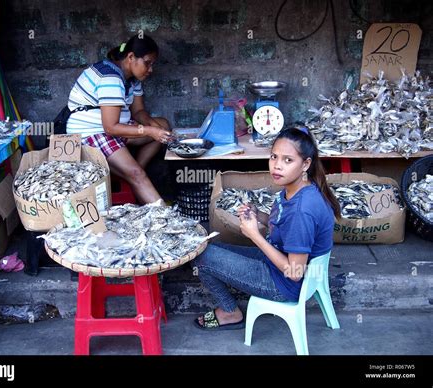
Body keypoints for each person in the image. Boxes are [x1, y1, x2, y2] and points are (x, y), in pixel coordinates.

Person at [193, 127, 341, 330]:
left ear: (306, 164)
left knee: (200, 256)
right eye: (274, 157)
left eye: (288, 160)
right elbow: (284, 226)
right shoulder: (301, 188)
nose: (277, 166)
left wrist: (255, 235)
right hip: (277, 261)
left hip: (284, 284)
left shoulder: (302, 211)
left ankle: (229, 312)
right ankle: (229, 310)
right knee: (206, 246)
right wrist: (259, 215)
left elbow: (295, 271)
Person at [66, 34, 172, 204]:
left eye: (152, 64)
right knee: (137, 173)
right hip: (92, 133)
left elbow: (138, 112)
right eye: (147, 63)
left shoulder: (132, 79)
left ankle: (134, 175)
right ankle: (164, 215)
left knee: (164, 126)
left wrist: (156, 129)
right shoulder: (111, 78)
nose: (150, 69)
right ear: (131, 57)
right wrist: (150, 131)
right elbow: (110, 128)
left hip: (115, 128)